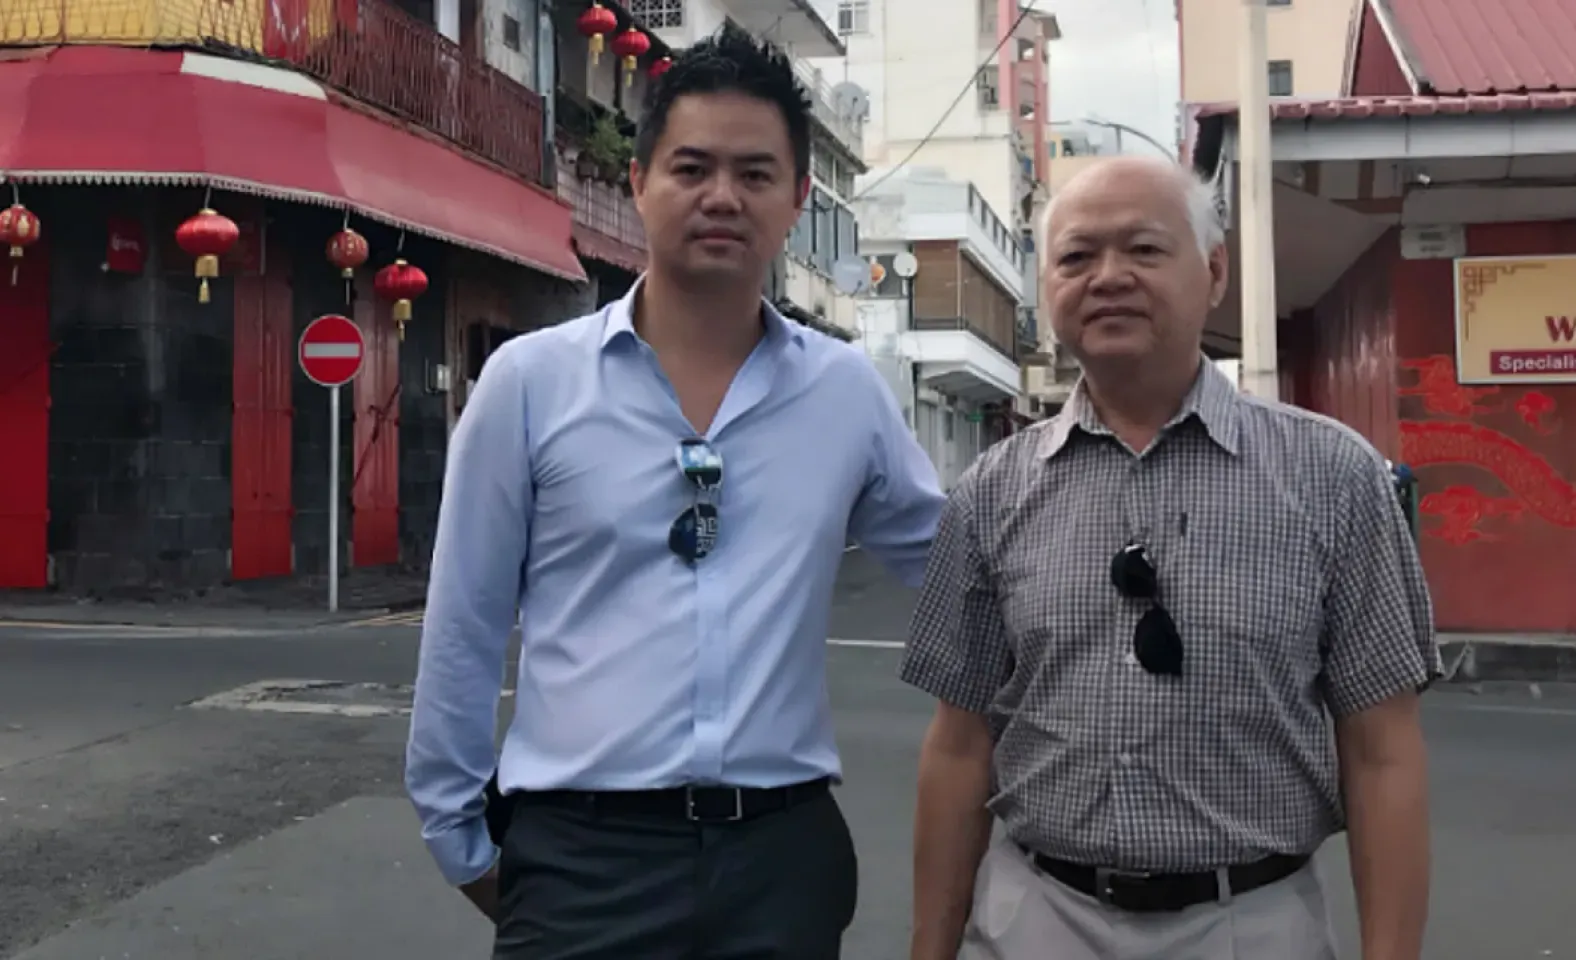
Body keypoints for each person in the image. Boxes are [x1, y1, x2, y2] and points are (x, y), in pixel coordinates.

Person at [404, 23, 945, 960]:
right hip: (578, 861)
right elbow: (463, 625)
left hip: (781, 860)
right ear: (639, 179)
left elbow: (959, 563)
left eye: (755, 174)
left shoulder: (843, 392)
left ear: (797, 200)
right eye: (692, 168)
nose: (722, 197)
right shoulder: (530, 385)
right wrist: (462, 840)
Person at [898, 155, 1440, 960]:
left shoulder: (1334, 478)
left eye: (1144, 250)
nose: (1108, 277)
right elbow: (959, 744)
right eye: (1077, 257)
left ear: (1214, 271)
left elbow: (1383, 751)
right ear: (1046, 287)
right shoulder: (991, 490)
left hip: (1250, 923)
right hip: (1036, 918)